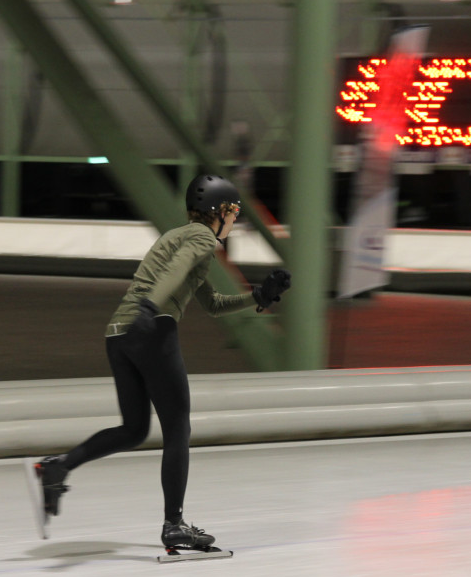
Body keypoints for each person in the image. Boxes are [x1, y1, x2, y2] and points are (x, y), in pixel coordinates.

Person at [29, 173, 292, 553]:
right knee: (177, 428)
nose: (235, 219)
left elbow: (213, 304)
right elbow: (175, 270)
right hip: (151, 327)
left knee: (134, 429)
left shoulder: (178, 235)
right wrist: (153, 307)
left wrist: (259, 296)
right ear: (217, 211)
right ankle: (175, 525)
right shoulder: (201, 238)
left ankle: (59, 467)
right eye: (234, 211)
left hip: (119, 333)